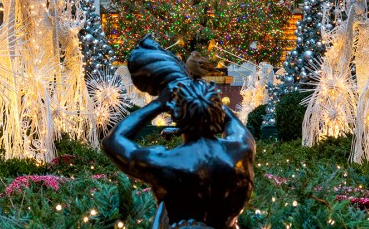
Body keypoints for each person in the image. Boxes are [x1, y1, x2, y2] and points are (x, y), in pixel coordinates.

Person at [102, 37, 255, 229]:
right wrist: (203, 95)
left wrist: (158, 103)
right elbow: (233, 122)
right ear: (216, 107)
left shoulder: (165, 162)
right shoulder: (240, 150)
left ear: (174, 113)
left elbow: (113, 141)